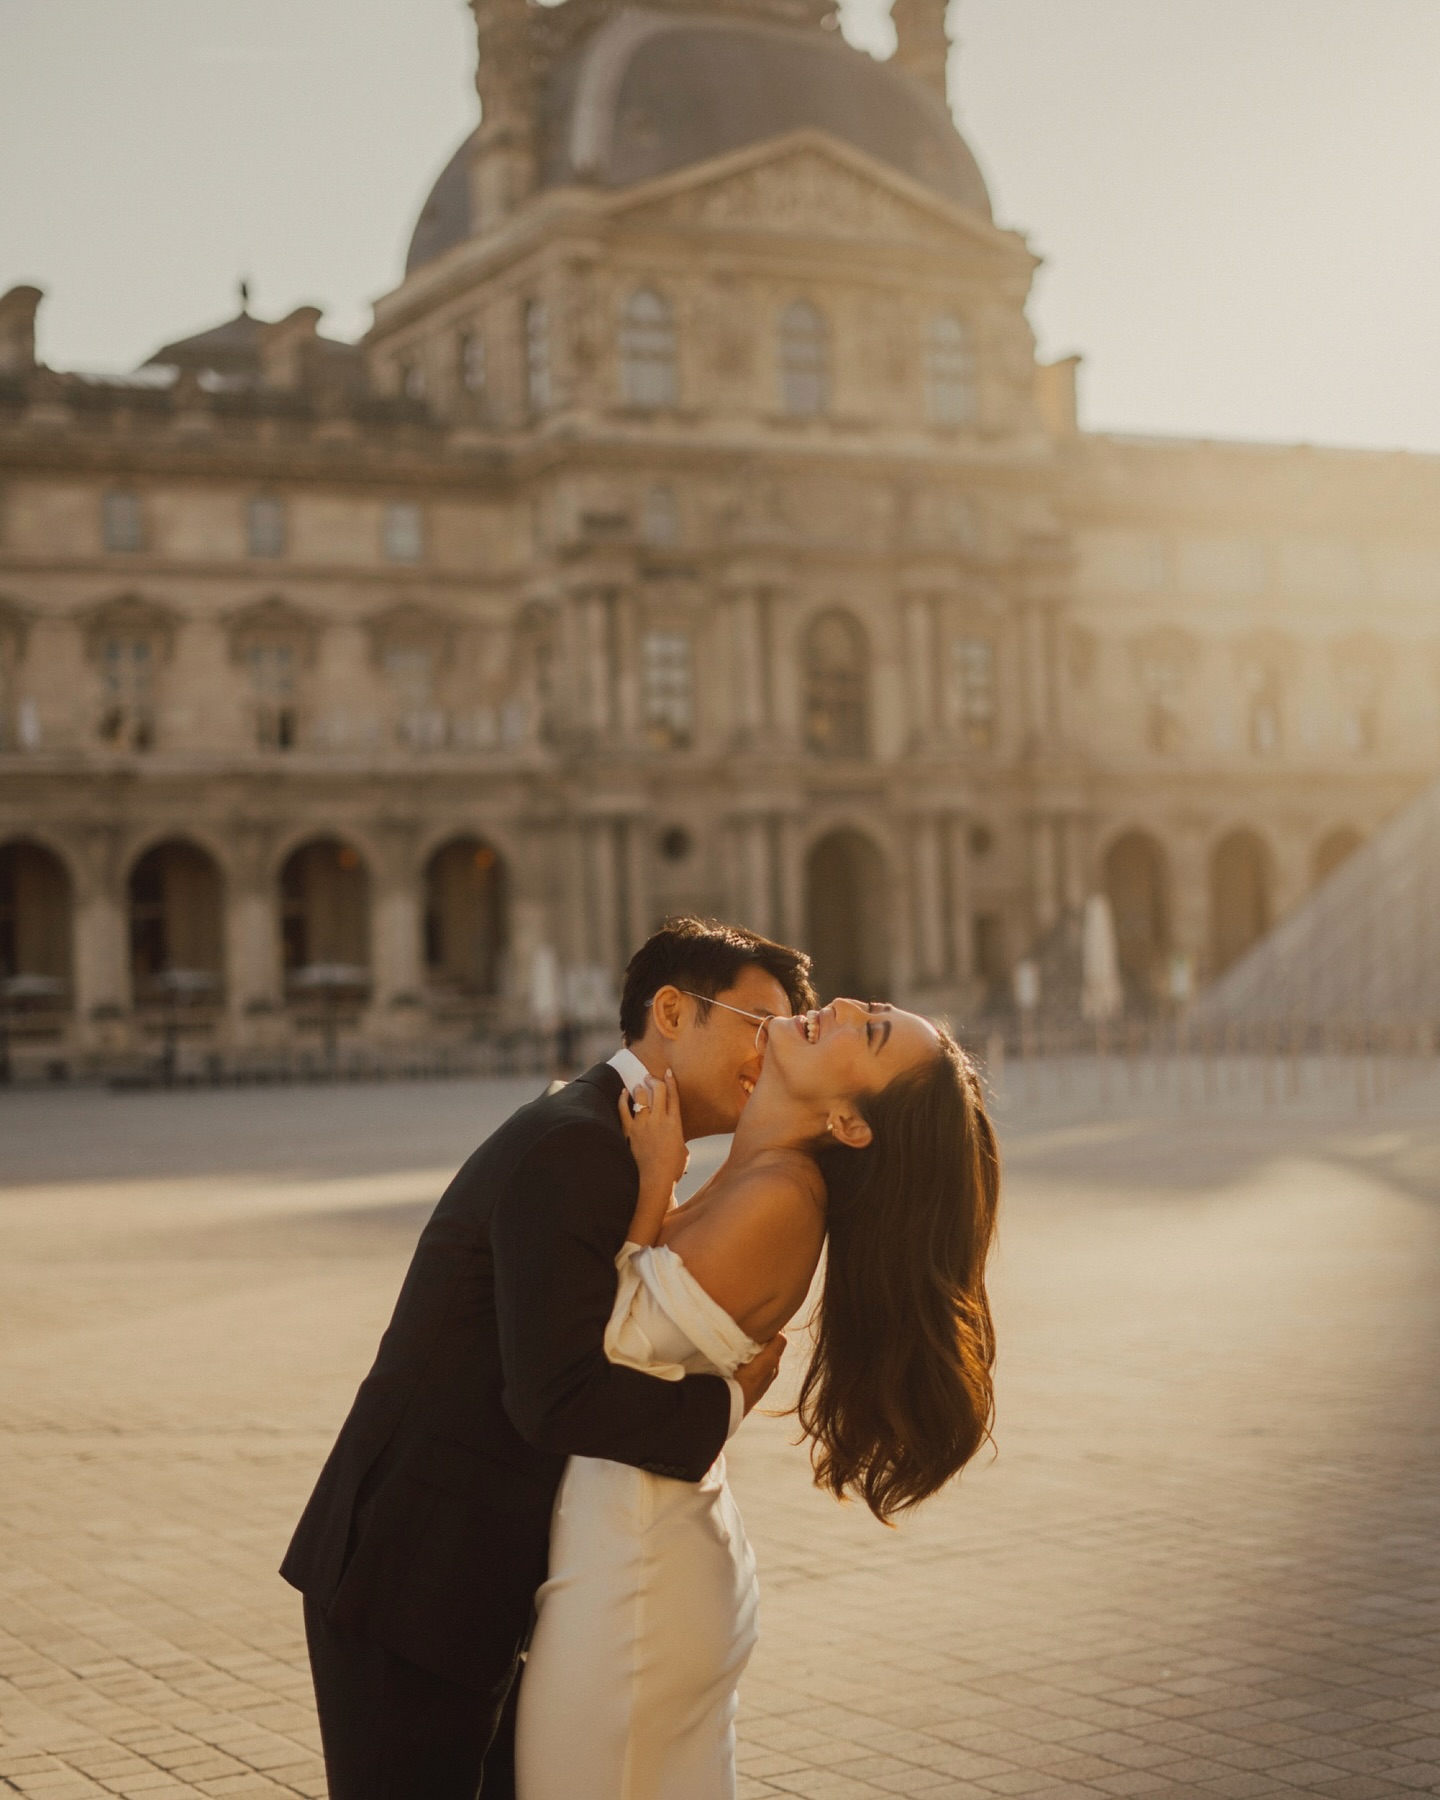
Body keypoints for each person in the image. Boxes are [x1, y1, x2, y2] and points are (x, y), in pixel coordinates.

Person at [280, 917, 815, 1800]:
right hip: (414, 1579)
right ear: (672, 1012)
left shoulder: (617, 1138)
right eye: (757, 1024)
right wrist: (726, 1400)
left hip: (463, 1573)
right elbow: (556, 1394)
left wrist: (658, 1192)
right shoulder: (579, 1141)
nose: (769, 1054)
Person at [513, 991, 1001, 1800]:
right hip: (631, 1547)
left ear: (850, 1122)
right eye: (870, 1006)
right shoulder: (760, 1176)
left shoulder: (783, 1198)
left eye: (868, 1031)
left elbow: (597, 1348)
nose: (841, 1005)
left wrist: (651, 1183)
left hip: (639, 1581)